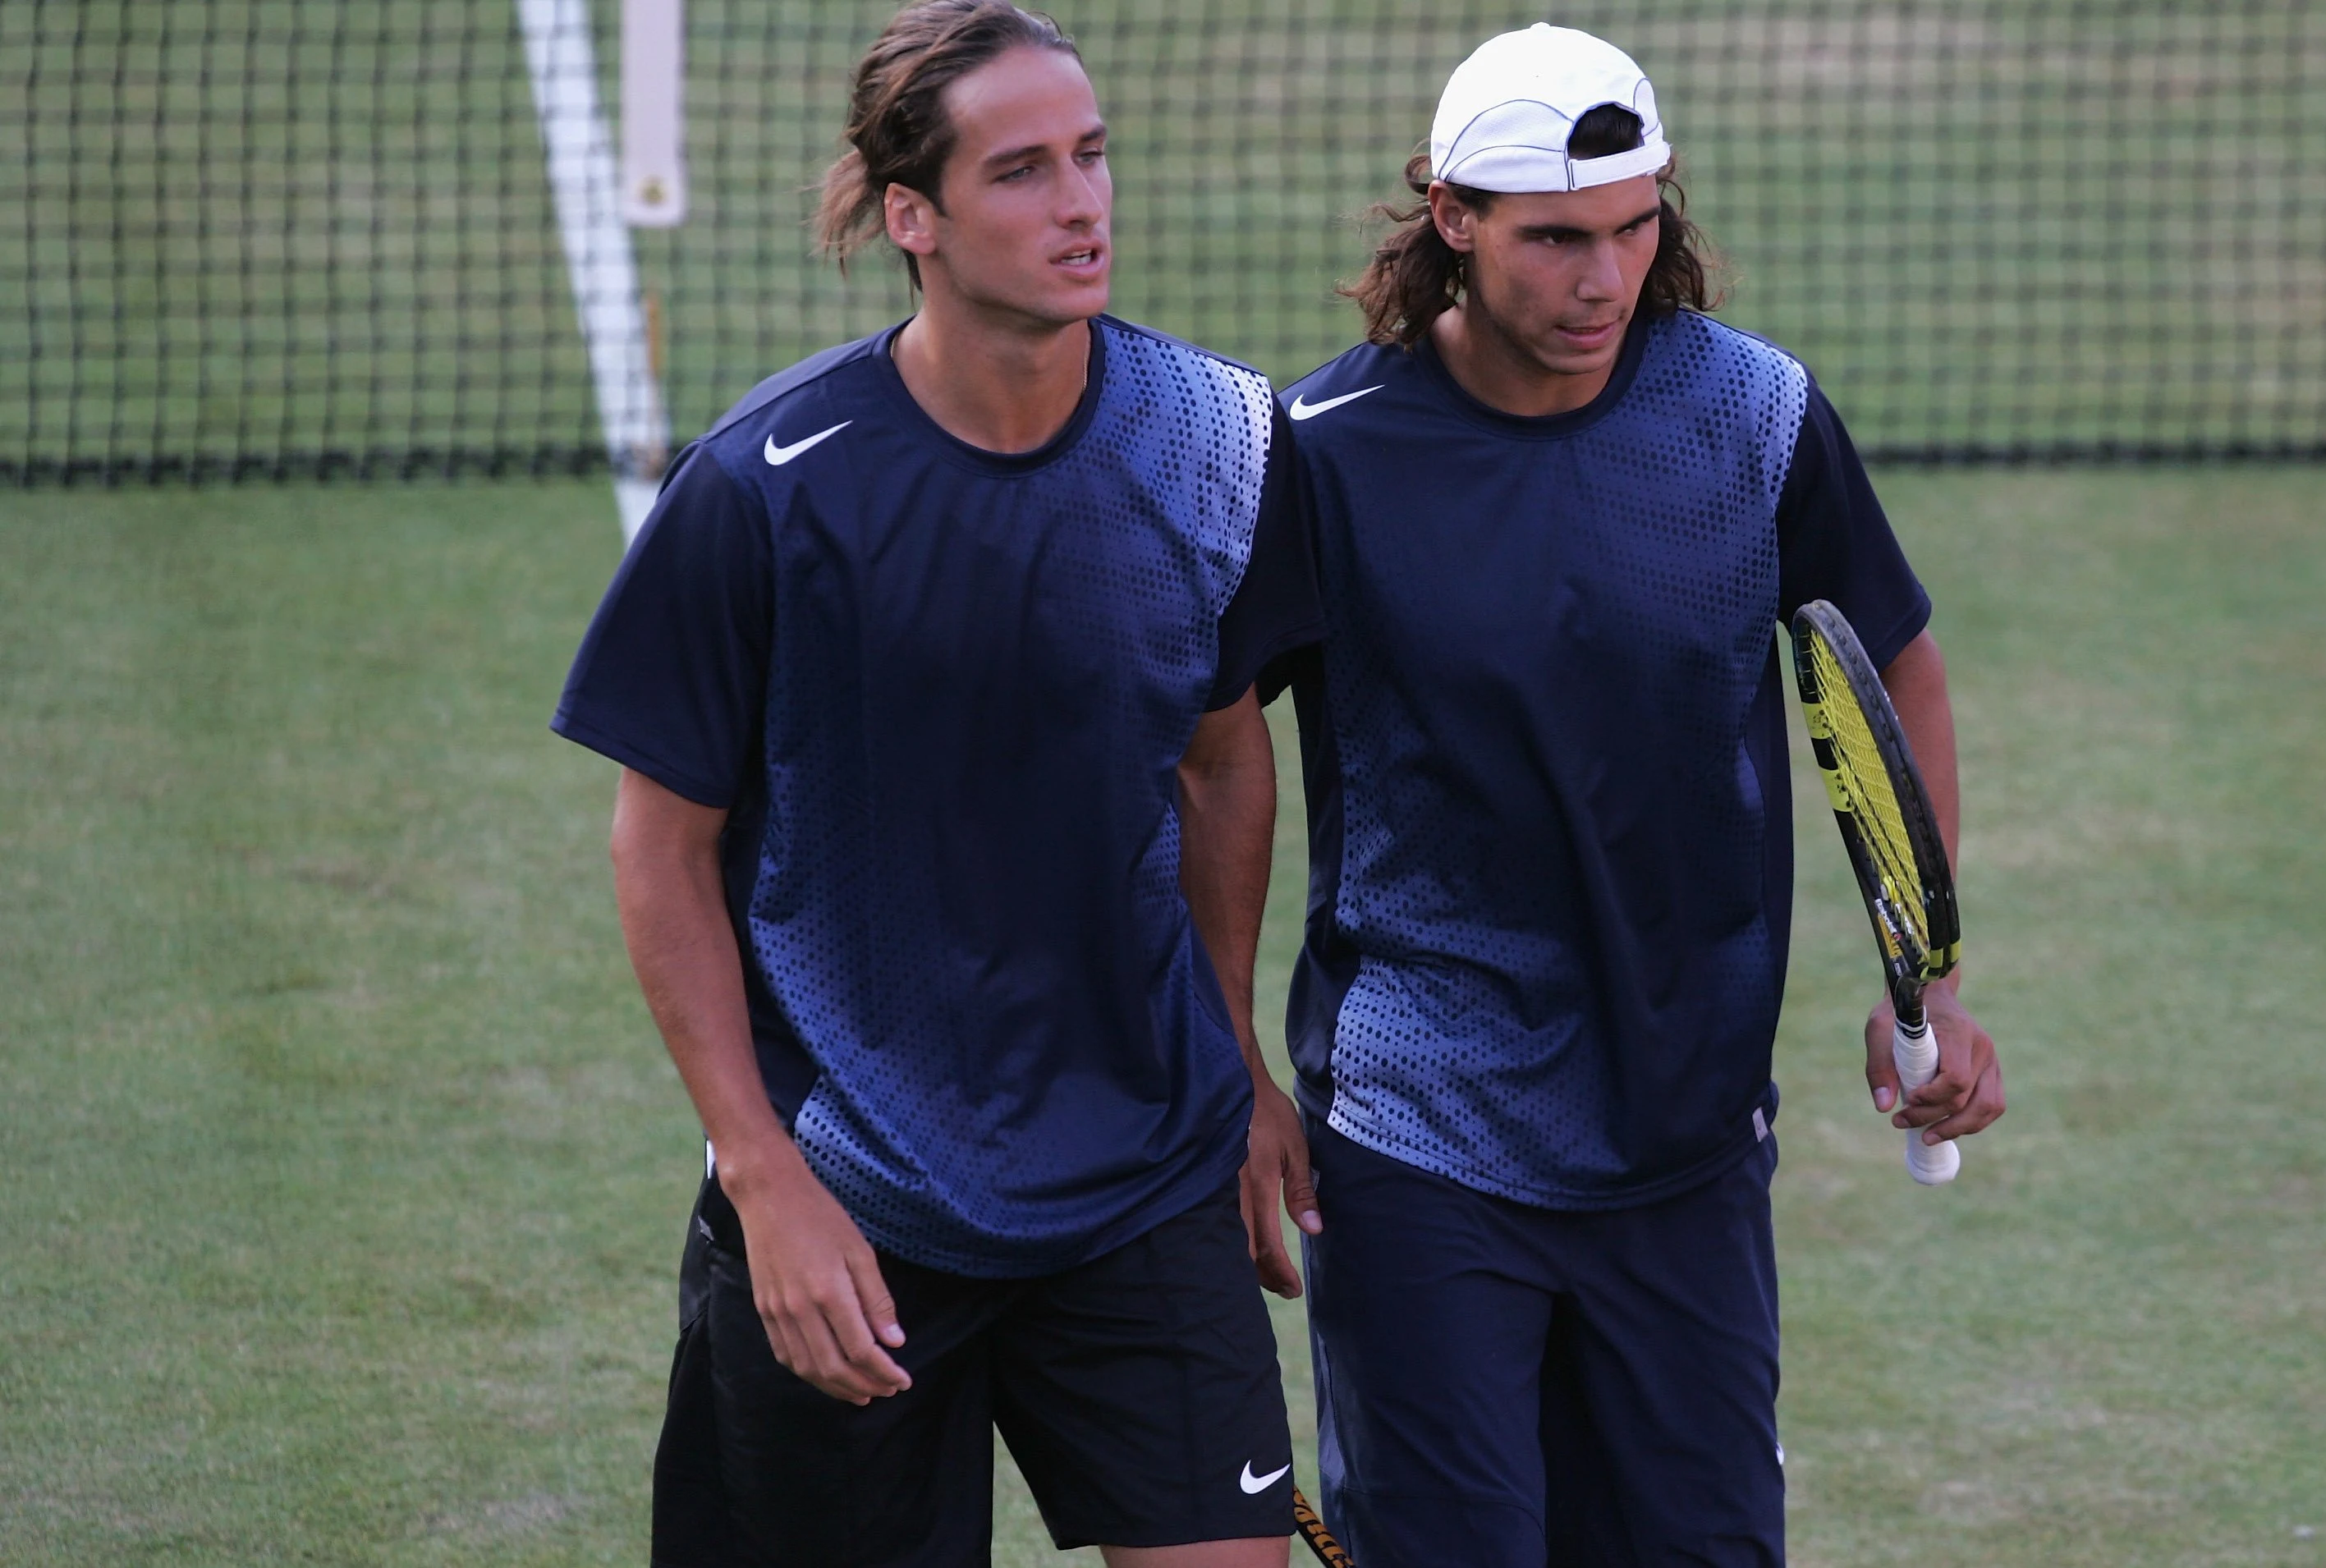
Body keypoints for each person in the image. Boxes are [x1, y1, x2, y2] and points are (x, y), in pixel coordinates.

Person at [549, 4, 1321, 1563]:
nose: (1083, 203)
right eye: (1024, 170)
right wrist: (763, 1177)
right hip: (859, 1193)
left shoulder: (1219, 442)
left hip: (1143, 1174)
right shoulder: (767, 493)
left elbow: (1226, 757)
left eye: (1091, 157)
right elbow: (660, 849)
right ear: (914, 216)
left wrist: (1227, 1051)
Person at [1268, 24, 2007, 1566]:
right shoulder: (1320, 458)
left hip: (1689, 1137)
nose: (1601, 279)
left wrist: (1920, 972)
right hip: (1421, 1133)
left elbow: (1899, 666)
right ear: (1454, 215)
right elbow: (1196, 757)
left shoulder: (1751, 418)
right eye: (1553, 238)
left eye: (1632, 226)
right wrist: (1223, 1063)